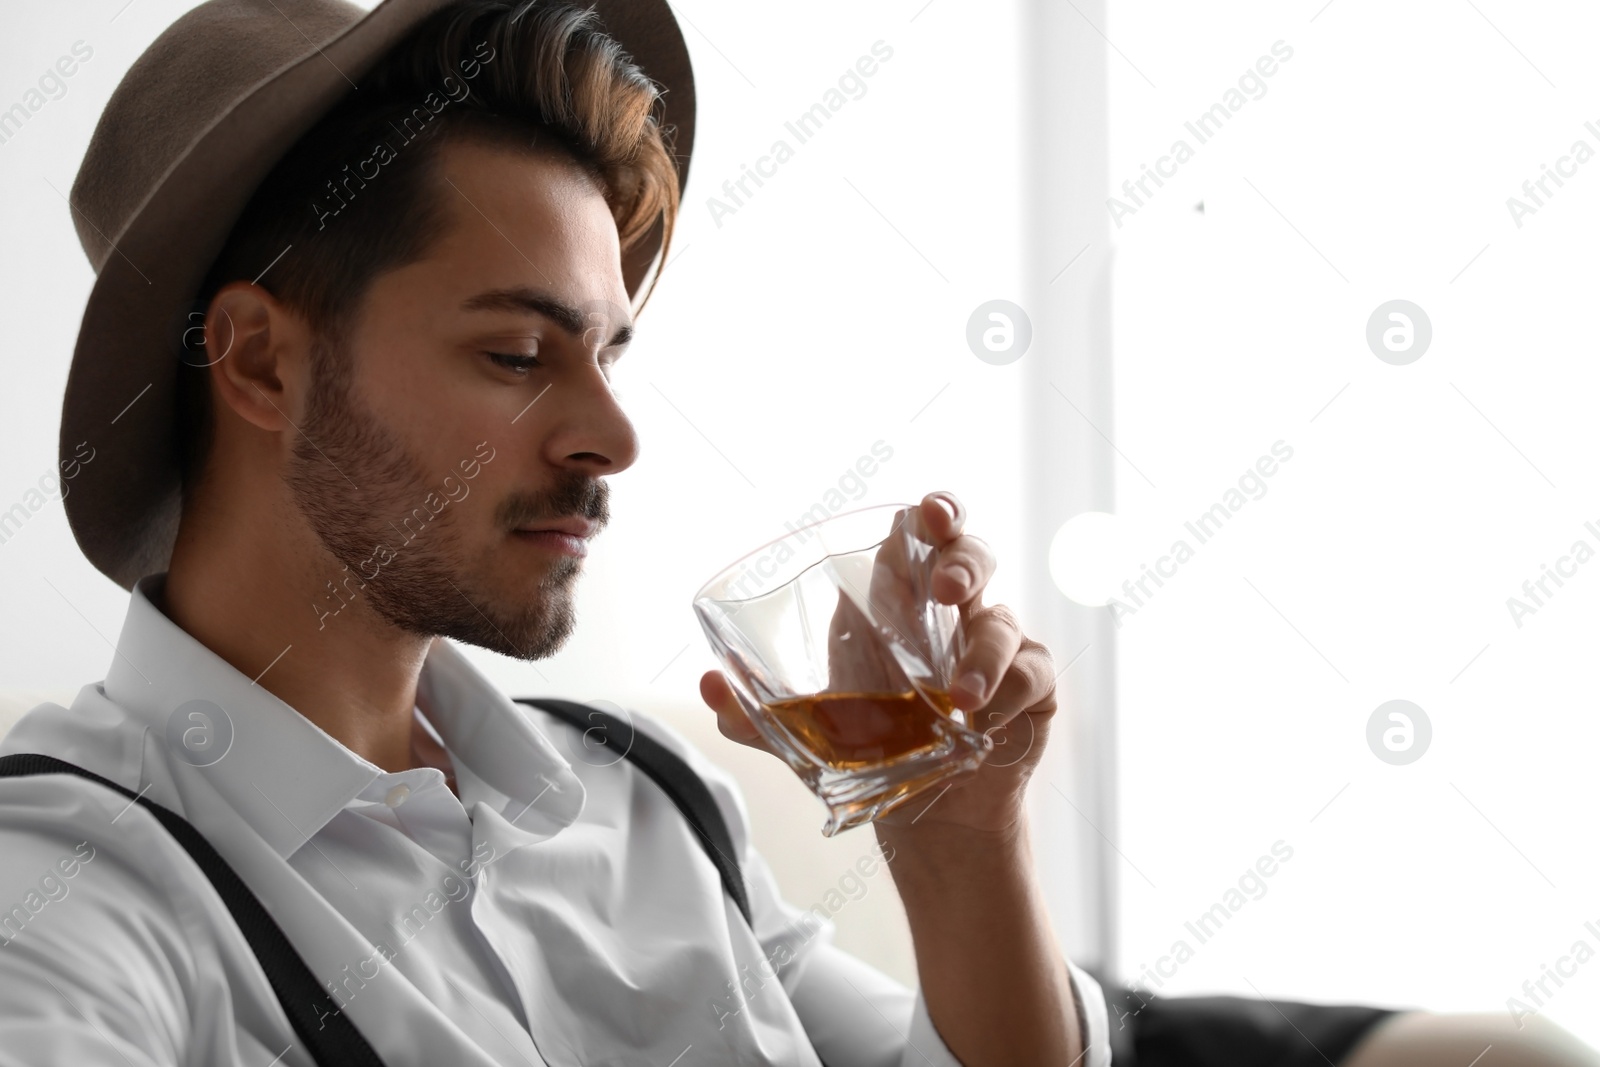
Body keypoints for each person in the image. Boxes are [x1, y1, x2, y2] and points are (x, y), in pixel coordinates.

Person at [0, 1, 1108, 1064]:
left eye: (608, 355)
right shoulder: (61, 887)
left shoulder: (650, 800)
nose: (614, 435)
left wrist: (966, 842)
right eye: (519, 356)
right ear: (258, 362)